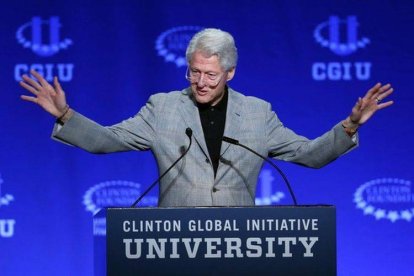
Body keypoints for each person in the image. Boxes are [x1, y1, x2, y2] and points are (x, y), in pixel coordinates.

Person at [20, 28, 394, 207]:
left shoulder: (257, 113)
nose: (200, 82)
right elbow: (108, 140)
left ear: (230, 73)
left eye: (210, 74)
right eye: (194, 72)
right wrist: (66, 114)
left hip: (240, 246)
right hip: (174, 246)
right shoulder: (162, 107)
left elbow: (309, 155)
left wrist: (351, 125)